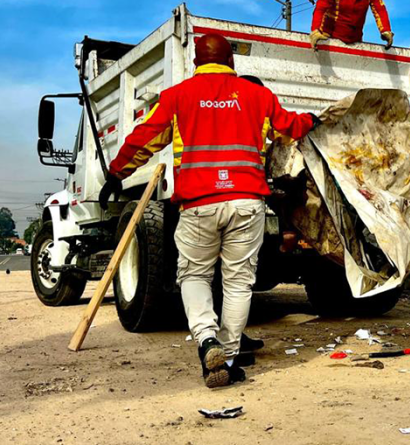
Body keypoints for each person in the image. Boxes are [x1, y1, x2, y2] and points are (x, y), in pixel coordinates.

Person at [100, 33, 319, 388]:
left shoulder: (176, 97)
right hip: (247, 203)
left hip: (199, 204)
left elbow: (143, 138)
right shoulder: (256, 95)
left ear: (196, 63)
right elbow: (289, 127)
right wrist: (310, 119)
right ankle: (228, 359)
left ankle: (206, 341)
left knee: (194, 277)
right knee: (238, 283)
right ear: (231, 62)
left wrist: (116, 172)